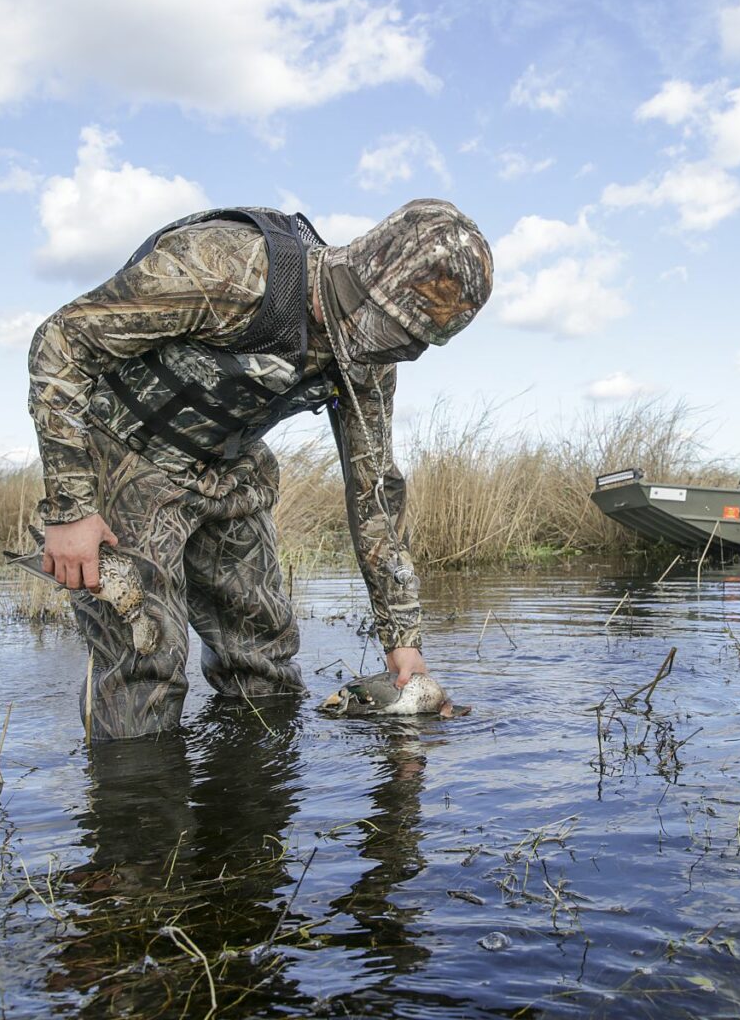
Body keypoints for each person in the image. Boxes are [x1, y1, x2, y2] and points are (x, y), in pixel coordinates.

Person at [27, 200, 494, 740]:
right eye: (386, 327)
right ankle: (138, 809)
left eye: (414, 342)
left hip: (229, 468)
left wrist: (402, 637)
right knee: (143, 667)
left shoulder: (372, 359)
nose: (390, 349)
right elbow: (60, 342)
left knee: (264, 655)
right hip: (125, 462)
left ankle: (256, 806)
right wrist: (70, 510)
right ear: (361, 272)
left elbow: (375, 495)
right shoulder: (226, 266)